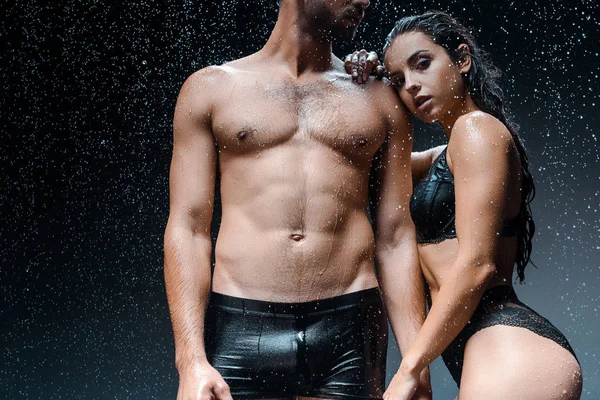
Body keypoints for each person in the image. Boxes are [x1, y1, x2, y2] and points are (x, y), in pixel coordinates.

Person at [163, 1, 432, 399]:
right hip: (240, 325)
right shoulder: (209, 89)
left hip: (350, 326)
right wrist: (189, 360)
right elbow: (188, 228)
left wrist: (416, 363)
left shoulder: (380, 96)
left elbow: (395, 236)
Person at [347, 10, 582, 400]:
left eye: (423, 64)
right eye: (399, 81)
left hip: (509, 347)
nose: (413, 86)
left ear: (461, 60)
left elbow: (477, 264)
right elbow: (370, 163)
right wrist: (366, 83)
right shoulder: (449, 151)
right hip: (489, 351)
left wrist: (409, 371)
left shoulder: (477, 130)